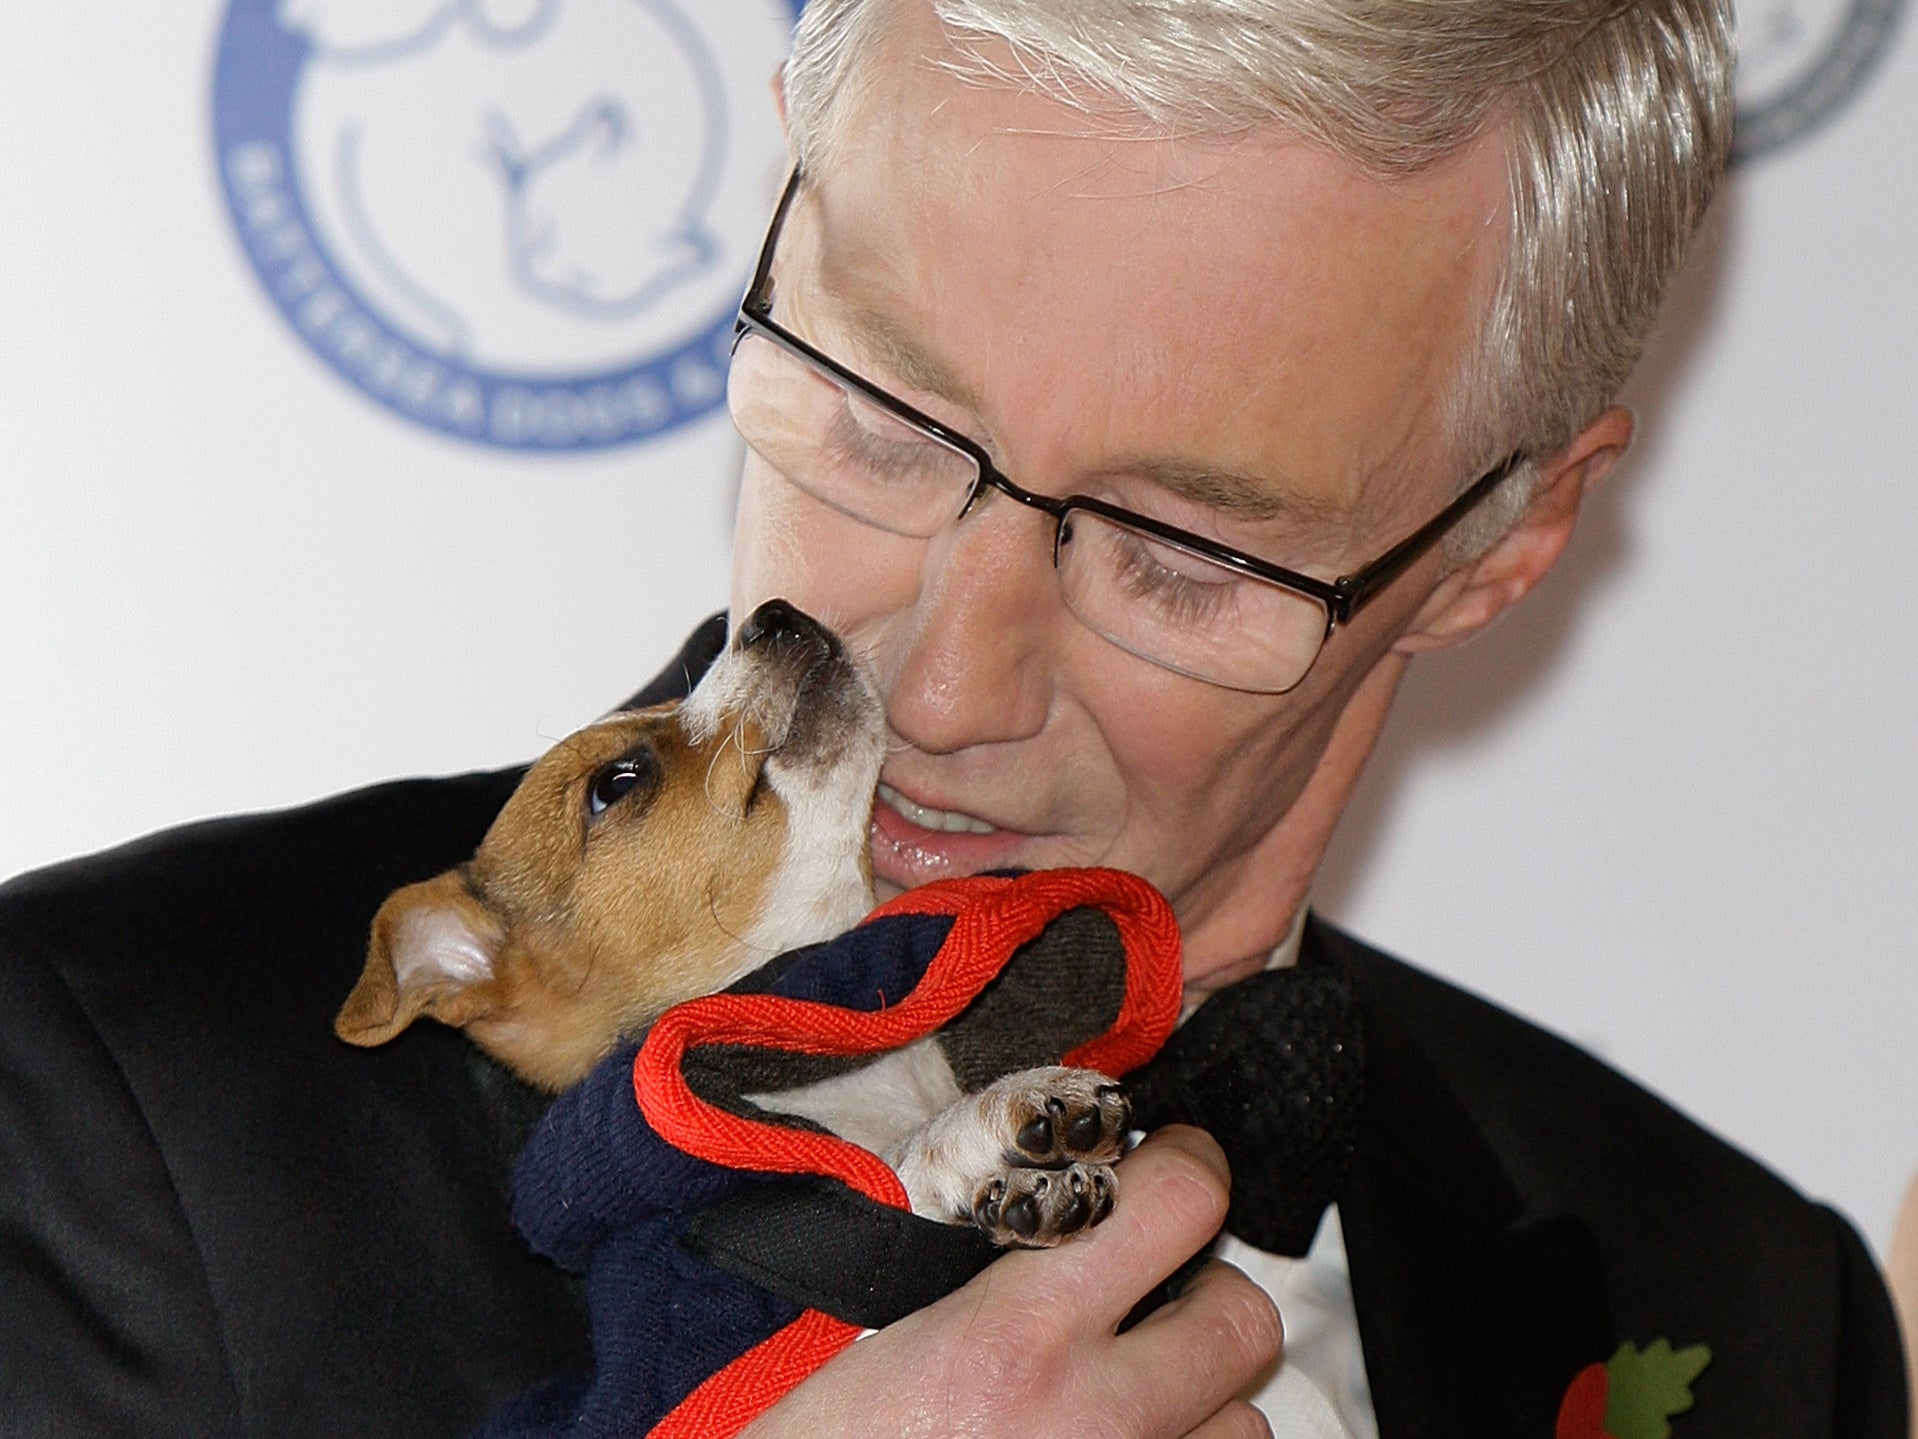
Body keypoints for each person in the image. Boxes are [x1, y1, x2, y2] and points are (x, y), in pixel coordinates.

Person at [0, 0, 1903, 1436]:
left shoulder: (1742, 1302)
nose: (935, 687)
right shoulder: (113, 1109)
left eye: (1176, 549)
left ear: (1505, 541)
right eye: (882, 417)